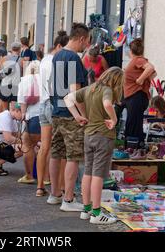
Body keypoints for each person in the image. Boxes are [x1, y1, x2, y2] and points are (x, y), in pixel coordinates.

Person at [65, 67, 124, 224]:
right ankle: (97, 214)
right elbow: (107, 104)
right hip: (103, 136)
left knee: (88, 172)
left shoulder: (90, 88)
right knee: (98, 175)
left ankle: (87, 209)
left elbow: (68, 99)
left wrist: (79, 116)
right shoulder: (107, 90)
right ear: (117, 81)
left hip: (89, 135)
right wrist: (114, 119)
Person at [48, 23, 89, 212]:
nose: (86, 46)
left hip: (56, 110)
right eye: (86, 42)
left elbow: (54, 85)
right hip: (70, 114)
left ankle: (54, 194)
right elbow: (76, 91)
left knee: (56, 153)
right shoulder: (73, 57)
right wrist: (84, 114)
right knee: (73, 156)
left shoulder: (57, 55)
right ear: (81, 38)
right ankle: (69, 199)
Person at [36, 31, 69, 197]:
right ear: (59, 46)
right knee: (61, 149)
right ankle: (61, 187)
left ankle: (40, 186)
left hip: (42, 104)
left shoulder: (43, 61)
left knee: (44, 147)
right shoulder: (58, 61)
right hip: (55, 104)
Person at [123, 39, 156, 149]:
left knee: (133, 125)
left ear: (130, 51)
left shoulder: (138, 60)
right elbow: (153, 74)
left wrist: (140, 80)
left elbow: (151, 68)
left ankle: (133, 149)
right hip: (133, 97)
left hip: (136, 97)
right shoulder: (136, 61)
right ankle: (134, 148)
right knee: (133, 124)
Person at [17, 61, 41, 185]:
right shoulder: (46, 79)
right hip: (46, 116)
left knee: (28, 146)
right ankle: (46, 177)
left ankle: (29, 175)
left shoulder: (25, 80)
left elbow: (22, 101)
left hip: (32, 117)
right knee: (46, 147)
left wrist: (23, 115)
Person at [0, 102, 24, 176]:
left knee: (26, 146)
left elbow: (17, 135)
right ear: (16, 111)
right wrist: (23, 142)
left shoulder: (13, 119)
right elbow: (8, 138)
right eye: (22, 113)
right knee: (24, 148)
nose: (24, 115)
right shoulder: (5, 117)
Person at [0, 41, 22, 114]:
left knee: (5, 110)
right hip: (16, 86)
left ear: (11, 49)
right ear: (20, 49)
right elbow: (23, 74)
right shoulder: (22, 60)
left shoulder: (4, 58)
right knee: (15, 109)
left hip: (5, 85)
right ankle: (14, 124)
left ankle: (4, 123)